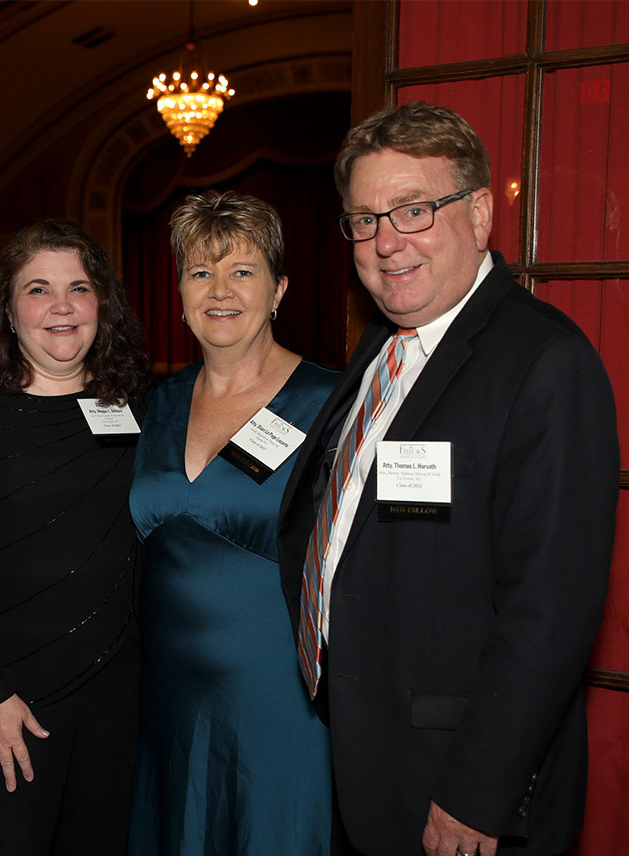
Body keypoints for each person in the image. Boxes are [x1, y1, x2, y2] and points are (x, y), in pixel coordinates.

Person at [277, 101, 618, 856]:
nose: (385, 242)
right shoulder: (381, 347)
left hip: (459, 791)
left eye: (414, 209)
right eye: (364, 219)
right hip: (367, 756)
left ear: (481, 215)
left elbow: (550, 611)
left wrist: (475, 794)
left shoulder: (544, 362)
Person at [0, 219, 151, 855]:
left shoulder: (130, 402)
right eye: (39, 288)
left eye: (79, 287)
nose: (62, 306)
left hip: (115, 694)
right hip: (10, 699)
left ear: (103, 302)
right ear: (8, 309)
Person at [127, 190, 336, 854]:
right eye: (199, 272)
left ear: (279, 289)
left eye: (241, 271)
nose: (219, 290)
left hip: (281, 705)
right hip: (168, 701)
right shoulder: (156, 404)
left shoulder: (330, 404)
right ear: (181, 293)